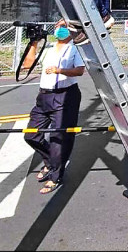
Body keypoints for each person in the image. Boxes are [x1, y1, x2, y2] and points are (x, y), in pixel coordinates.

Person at [24, 24, 85, 194]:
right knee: (31, 134)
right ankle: (51, 162)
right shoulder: (48, 48)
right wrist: (34, 43)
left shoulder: (75, 49)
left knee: (60, 138)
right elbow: (27, 64)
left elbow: (80, 71)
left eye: (64, 26)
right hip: (44, 96)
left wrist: (60, 70)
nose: (60, 29)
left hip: (65, 95)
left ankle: (55, 177)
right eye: (58, 26)